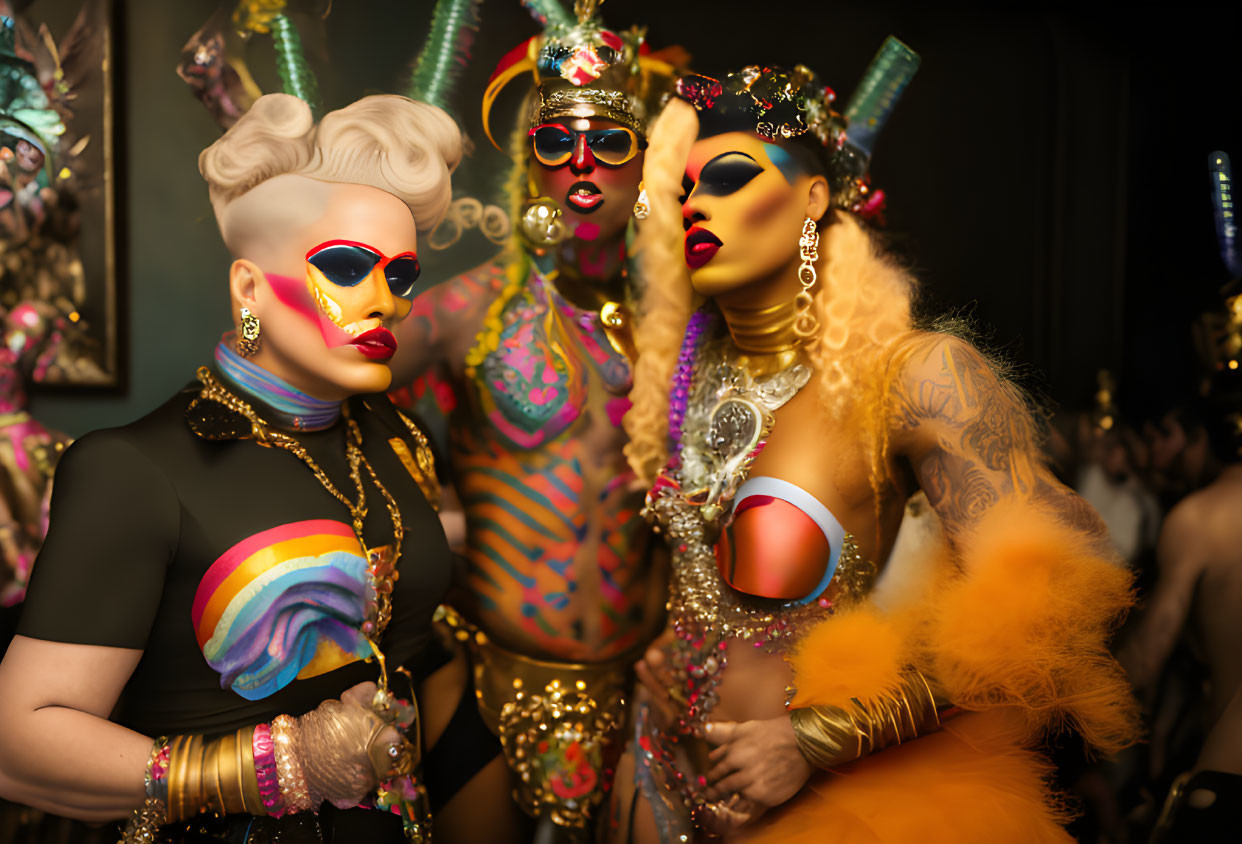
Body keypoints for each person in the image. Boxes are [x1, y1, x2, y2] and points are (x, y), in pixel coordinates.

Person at [612, 61, 1139, 843]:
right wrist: (663, 650)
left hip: (807, 805)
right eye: (682, 189)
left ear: (815, 198)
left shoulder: (913, 376)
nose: (695, 206)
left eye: (727, 177)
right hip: (651, 777)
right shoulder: (679, 377)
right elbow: (691, 577)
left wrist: (821, 739)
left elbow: (1043, 610)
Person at [0, 92, 518, 843]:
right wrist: (276, 766)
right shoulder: (133, 470)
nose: (385, 303)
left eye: (401, 276)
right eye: (345, 268)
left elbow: (424, 662)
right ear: (249, 288)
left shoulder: (397, 437)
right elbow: (18, 741)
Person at [387, 1, 678, 831]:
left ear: (643, 168)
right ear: (531, 167)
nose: (582, 163)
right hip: (484, 679)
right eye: (557, 143)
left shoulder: (682, 336)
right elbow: (316, 374)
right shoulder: (465, 310)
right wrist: (425, 520)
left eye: (610, 143)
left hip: (642, 695)